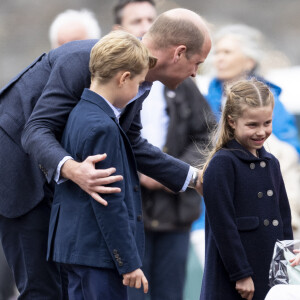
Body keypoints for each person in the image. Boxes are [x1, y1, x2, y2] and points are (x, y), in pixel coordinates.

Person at [0, 8, 210, 299]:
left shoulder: (138, 78)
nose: (195, 73)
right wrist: (74, 170)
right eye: (196, 63)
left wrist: (192, 178)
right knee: (43, 291)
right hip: (19, 174)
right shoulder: (85, 60)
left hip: (60, 185)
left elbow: (131, 141)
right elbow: (36, 129)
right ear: (178, 53)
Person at [112, 1, 215, 299]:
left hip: (174, 211)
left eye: (150, 19)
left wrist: (172, 172)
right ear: (119, 31)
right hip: (128, 210)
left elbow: (208, 132)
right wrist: (138, 171)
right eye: (136, 20)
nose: (145, 25)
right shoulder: (114, 80)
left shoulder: (180, 79)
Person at [47, 30, 156, 300]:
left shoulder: (78, 113)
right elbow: (110, 201)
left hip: (79, 251)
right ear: (124, 78)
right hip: (97, 255)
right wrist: (129, 261)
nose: (136, 92)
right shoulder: (102, 127)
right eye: (139, 83)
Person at [200, 79, 293, 300]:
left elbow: (283, 219)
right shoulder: (222, 164)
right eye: (252, 125)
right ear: (232, 121)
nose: (261, 132)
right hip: (237, 278)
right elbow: (222, 226)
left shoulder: (271, 163)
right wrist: (240, 274)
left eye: (267, 123)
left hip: (270, 276)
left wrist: (288, 261)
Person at [204, 24, 300, 153]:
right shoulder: (206, 98)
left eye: (227, 52)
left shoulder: (266, 99)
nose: (219, 59)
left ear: (249, 62)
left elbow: (291, 146)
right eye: (217, 53)